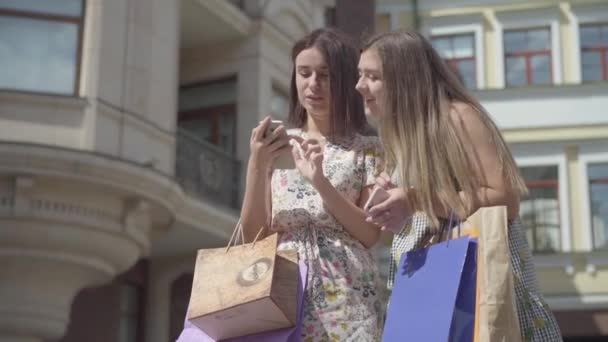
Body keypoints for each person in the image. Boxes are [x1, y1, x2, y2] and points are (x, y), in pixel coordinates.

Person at [356, 30, 562, 341]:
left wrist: (413, 199)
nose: (360, 86)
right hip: (431, 288)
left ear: (405, 79)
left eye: (372, 76)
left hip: (475, 286)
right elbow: (425, 211)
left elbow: (505, 198)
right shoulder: (401, 135)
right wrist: (395, 204)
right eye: (361, 75)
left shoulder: (457, 117)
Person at [240, 28, 385, 341]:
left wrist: (319, 180)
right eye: (304, 73)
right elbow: (252, 236)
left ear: (347, 81)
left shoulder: (367, 149)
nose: (313, 85)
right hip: (279, 288)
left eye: (325, 75)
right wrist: (256, 163)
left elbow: (370, 233)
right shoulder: (277, 146)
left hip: (346, 292)